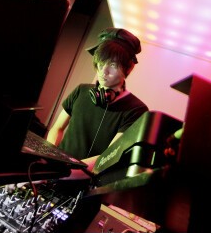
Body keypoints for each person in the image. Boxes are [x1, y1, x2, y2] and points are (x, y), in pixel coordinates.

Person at [46, 27, 149, 179]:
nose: (103, 71)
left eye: (112, 65)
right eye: (101, 62)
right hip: (55, 174)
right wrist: (48, 157)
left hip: (85, 183)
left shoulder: (136, 110)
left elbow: (109, 157)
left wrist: (64, 173)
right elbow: (58, 128)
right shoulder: (81, 90)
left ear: (129, 68)